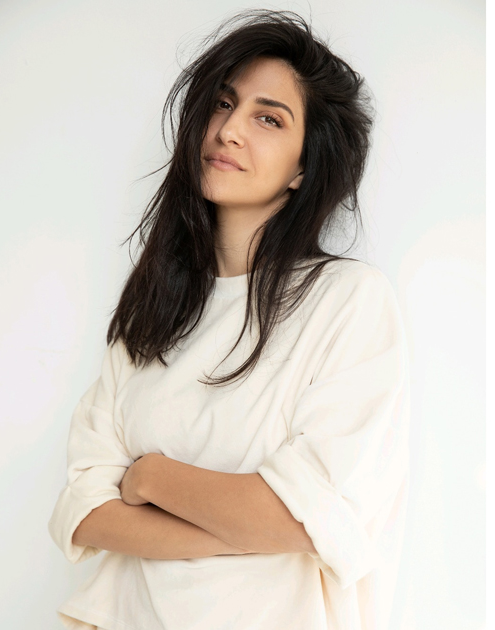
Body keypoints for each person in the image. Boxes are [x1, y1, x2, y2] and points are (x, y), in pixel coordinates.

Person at [48, 9, 411, 630]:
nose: (229, 130)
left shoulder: (348, 301)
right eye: (223, 104)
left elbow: (308, 517)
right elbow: (84, 512)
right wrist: (242, 526)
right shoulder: (153, 307)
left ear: (304, 167)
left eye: (269, 118)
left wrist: (150, 477)